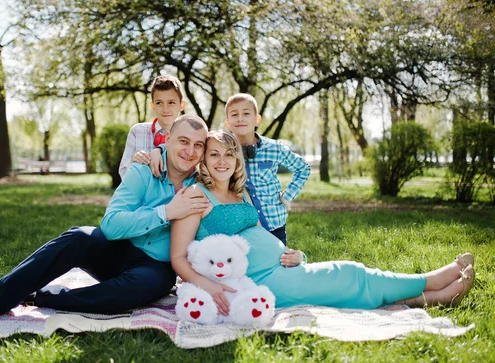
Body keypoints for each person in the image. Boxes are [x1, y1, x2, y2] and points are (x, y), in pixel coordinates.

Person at [0, 115, 210, 344]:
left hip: (155, 268)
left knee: (139, 289)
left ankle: (43, 296)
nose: (190, 151)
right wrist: (166, 212)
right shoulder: (143, 171)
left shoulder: (204, 185)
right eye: (183, 141)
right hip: (118, 249)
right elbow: (112, 226)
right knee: (80, 236)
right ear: (168, 139)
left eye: (198, 145)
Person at [170, 130, 475, 314]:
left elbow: (260, 237)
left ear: (237, 160)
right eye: (214, 155)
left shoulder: (241, 192)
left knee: (345, 283)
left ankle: (432, 296)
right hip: (256, 282)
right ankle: (432, 282)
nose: (221, 161)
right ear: (204, 160)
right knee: (350, 274)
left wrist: (297, 255)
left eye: (228, 154)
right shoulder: (197, 194)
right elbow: (179, 257)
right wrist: (209, 287)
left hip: (282, 267)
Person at [224, 93, 311, 245]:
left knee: (280, 265)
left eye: (246, 113)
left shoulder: (274, 148)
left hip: (274, 224)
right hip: (243, 228)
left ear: (257, 119)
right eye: (234, 114)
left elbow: (303, 168)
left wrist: (287, 196)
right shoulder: (224, 153)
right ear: (227, 123)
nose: (240, 118)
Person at [118, 75, 186, 178]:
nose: (165, 109)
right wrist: (133, 160)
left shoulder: (189, 136)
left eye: (171, 102)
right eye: (159, 103)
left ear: (181, 105)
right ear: (152, 105)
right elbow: (123, 173)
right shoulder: (137, 131)